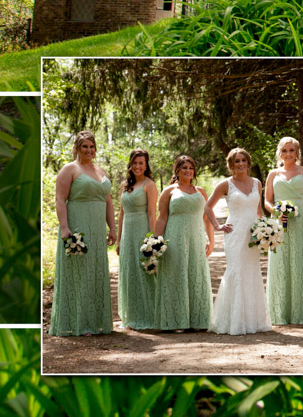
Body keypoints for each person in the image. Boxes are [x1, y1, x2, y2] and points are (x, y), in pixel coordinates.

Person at [51, 131, 116, 336]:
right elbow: (60, 199)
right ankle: (78, 322)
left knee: (96, 271)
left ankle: (95, 321)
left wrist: (112, 227)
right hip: (78, 224)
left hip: (97, 228)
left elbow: (108, 201)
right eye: (84, 146)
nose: (89, 150)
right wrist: (64, 227)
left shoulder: (101, 171)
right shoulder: (70, 169)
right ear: (77, 148)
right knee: (79, 272)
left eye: (92, 146)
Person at [205, 148, 272, 335]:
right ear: (231, 165)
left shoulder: (257, 183)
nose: (241, 164)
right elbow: (207, 206)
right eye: (236, 161)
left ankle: (254, 321)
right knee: (236, 271)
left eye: (243, 160)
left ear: (248, 162)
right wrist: (217, 227)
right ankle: (234, 321)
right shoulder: (226, 184)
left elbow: (258, 211)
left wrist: (264, 231)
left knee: (252, 272)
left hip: (252, 234)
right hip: (234, 234)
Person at [152, 154, 213, 332]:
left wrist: (210, 239)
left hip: (196, 237)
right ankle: (173, 321)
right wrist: (156, 242)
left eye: (190, 168)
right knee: (175, 274)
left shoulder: (201, 191)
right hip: (175, 237)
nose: (188, 171)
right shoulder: (169, 191)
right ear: (177, 170)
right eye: (184, 167)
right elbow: (161, 218)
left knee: (196, 273)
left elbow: (206, 217)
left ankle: (198, 320)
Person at [265, 137, 303, 325]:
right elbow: (267, 200)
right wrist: (276, 212)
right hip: (280, 223)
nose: (288, 154)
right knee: (281, 262)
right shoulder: (273, 174)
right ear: (280, 152)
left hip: (302, 221)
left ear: (297, 152)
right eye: (285, 150)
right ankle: (281, 311)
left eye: (292, 150)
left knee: (302, 261)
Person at [115, 149, 159, 330]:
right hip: (127, 234)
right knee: (129, 273)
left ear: (146, 165)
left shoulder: (149, 185)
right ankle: (132, 317)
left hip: (142, 230)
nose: (137, 166)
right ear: (130, 164)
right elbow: (121, 213)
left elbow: (151, 213)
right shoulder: (124, 185)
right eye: (134, 163)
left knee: (144, 272)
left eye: (141, 163)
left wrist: (151, 240)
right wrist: (118, 240)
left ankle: (150, 316)